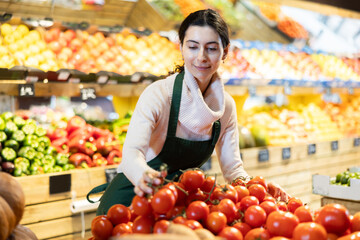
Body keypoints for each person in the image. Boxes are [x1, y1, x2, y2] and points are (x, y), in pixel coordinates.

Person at [88, 9, 290, 215]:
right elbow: (131, 155)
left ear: (226, 52)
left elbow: (233, 169)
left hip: (179, 205)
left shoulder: (226, 107)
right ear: (182, 48)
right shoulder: (159, 95)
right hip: (130, 200)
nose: (201, 57)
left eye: (211, 48)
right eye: (193, 47)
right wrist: (145, 177)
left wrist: (259, 188)